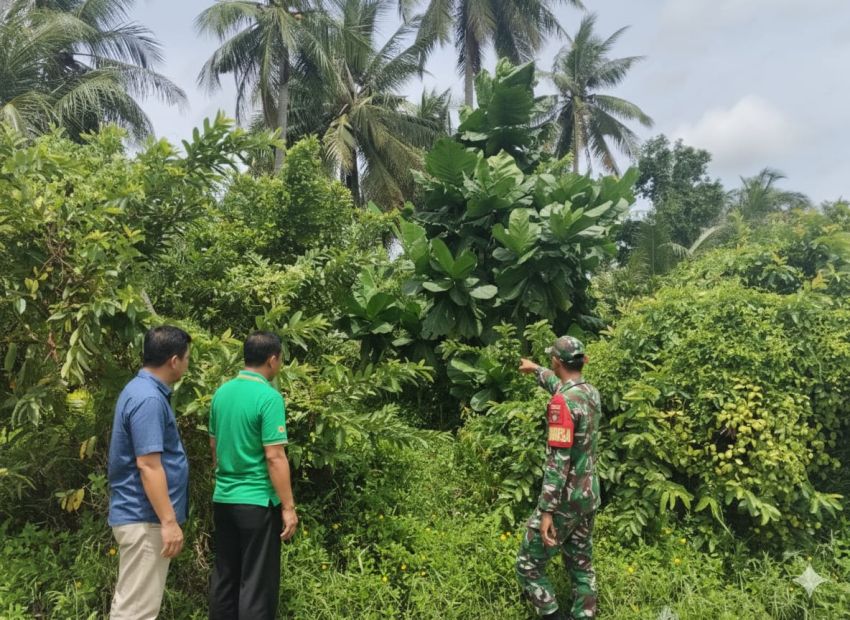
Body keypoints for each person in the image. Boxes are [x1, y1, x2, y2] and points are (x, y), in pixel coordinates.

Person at [208, 331, 299, 620]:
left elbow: (215, 447)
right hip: (257, 503)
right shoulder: (269, 397)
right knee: (256, 586)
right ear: (272, 359)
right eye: (280, 359)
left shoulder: (221, 393)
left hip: (223, 499)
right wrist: (288, 507)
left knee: (225, 578)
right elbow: (274, 457)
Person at [107, 325, 192, 620]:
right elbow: (148, 464)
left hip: (142, 516)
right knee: (136, 612)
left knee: (132, 605)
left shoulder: (141, 390)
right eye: (186, 358)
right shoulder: (149, 399)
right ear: (173, 360)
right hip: (145, 519)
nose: (187, 364)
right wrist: (168, 522)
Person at [515, 336, 602, 620]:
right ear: (582, 361)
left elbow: (558, 461)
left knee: (528, 564)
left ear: (557, 361)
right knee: (580, 564)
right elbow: (560, 383)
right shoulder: (590, 392)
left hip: (564, 500)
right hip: (588, 496)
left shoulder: (561, 404)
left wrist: (547, 511)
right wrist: (536, 369)